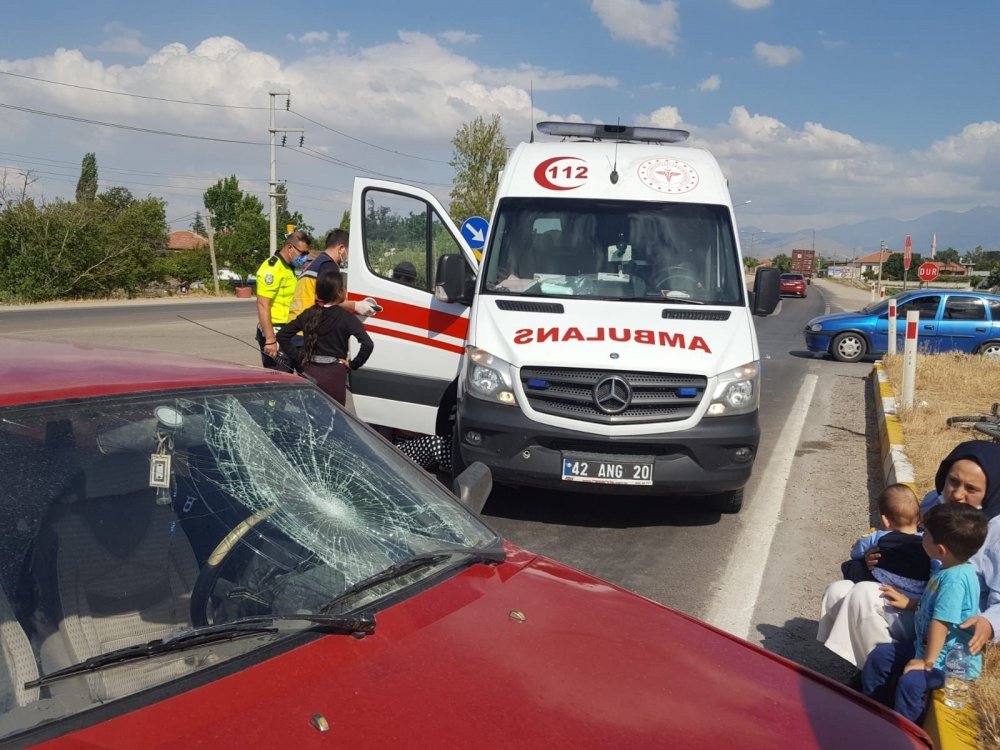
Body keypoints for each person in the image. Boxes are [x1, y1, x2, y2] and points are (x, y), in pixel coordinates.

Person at [817, 440, 1000, 669]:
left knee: (863, 595)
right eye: (953, 481)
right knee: (838, 592)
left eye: (971, 489)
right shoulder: (936, 500)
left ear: (991, 492)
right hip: (914, 595)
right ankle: (871, 670)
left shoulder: (995, 534)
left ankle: (886, 680)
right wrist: (873, 557)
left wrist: (989, 623)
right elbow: (910, 535)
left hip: (943, 618)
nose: (957, 494)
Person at [861, 502, 988, 723]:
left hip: (947, 662)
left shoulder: (955, 580)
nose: (921, 536)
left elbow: (941, 622)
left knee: (911, 684)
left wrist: (926, 663)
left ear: (941, 550)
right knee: (879, 657)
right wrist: (910, 603)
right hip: (926, 650)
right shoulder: (947, 569)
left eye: (926, 534)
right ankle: (873, 713)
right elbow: (932, 605)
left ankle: (906, 734)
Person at [276, 268, 373, 406]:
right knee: (334, 420)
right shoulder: (346, 317)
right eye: (344, 287)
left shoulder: (309, 313)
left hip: (309, 372)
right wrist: (353, 364)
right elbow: (368, 344)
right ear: (340, 292)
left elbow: (282, 335)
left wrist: (299, 359)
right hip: (335, 375)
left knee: (311, 419)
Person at [841, 485, 931, 608]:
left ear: (885, 520)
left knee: (850, 566)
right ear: (920, 518)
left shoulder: (878, 537)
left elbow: (856, 552)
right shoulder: (925, 540)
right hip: (917, 594)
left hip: (884, 586)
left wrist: (864, 556)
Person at [287, 228, 379, 320]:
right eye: (349, 250)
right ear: (341, 248)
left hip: (297, 321)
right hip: (305, 325)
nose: (349, 255)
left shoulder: (319, 262)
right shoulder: (329, 266)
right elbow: (331, 301)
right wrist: (357, 306)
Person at [254, 231, 313, 371]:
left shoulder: (288, 268)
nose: (304, 258)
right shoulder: (272, 268)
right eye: (302, 253)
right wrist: (270, 339)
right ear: (290, 248)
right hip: (275, 332)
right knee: (278, 379)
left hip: (288, 332)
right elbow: (263, 304)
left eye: (306, 254)